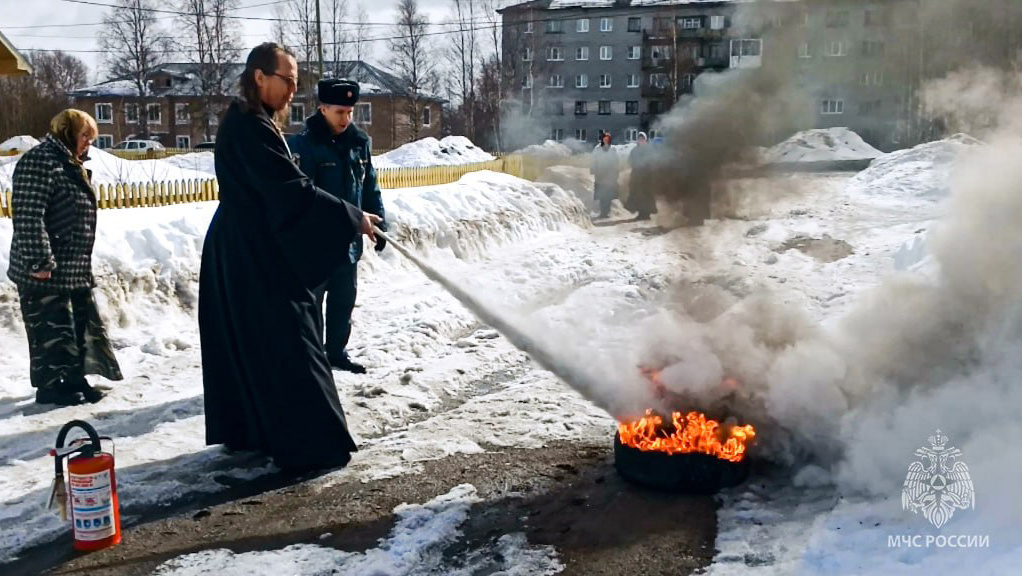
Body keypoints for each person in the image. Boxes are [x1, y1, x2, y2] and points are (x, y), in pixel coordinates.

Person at [198, 43, 381, 472]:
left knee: (257, 340)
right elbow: (290, 190)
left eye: (297, 83)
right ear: (260, 77)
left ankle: (252, 432)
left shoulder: (252, 120)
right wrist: (350, 217)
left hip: (245, 243)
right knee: (290, 338)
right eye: (288, 81)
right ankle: (312, 445)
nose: (292, 92)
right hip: (249, 249)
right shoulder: (249, 126)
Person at [7, 109, 123, 406]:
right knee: (50, 329)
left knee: (76, 326)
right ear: (67, 132)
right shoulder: (40, 161)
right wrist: (39, 261)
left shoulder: (68, 162)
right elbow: (30, 216)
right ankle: (51, 386)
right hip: (45, 268)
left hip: (71, 266)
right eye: (85, 136)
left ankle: (74, 378)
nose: (88, 144)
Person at [288, 78, 387, 374]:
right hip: (316, 245)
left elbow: (370, 186)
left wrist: (381, 223)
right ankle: (311, 359)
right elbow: (303, 198)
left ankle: (336, 353)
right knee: (312, 306)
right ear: (322, 109)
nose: (346, 119)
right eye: (339, 112)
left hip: (349, 245)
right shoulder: (304, 146)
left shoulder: (359, 143)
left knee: (343, 303)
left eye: (349, 112)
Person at [625, 132, 658, 221]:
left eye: (642, 138)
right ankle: (641, 213)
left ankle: (646, 213)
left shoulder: (649, 149)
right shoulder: (635, 150)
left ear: (645, 139)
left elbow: (653, 160)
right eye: (639, 138)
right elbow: (630, 160)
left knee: (646, 194)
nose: (641, 140)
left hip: (647, 175)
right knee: (637, 194)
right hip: (636, 175)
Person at [590, 132, 620, 219]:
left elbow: (616, 161)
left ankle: (606, 212)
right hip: (600, 174)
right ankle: (602, 212)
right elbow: (593, 160)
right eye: (605, 138)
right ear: (602, 139)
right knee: (601, 194)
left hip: (610, 175)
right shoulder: (598, 149)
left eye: (608, 138)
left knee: (608, 194)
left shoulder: (613, 149)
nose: (606, 140)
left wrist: (616, 173)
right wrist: (592, 169)